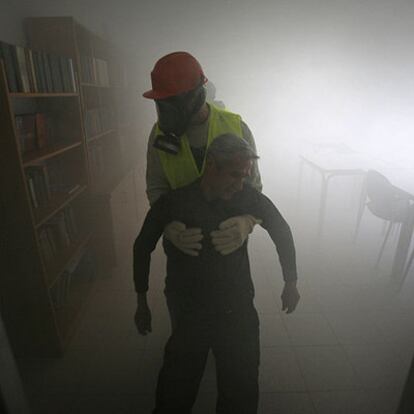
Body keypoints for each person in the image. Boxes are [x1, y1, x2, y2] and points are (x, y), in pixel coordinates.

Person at [133, 134, 300, 414]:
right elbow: (142, 246)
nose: (239, 184)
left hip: (236, 308)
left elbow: (281, 230)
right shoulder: (176, 202)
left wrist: (291, 281)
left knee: (241, 393)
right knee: (174, 394)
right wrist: (141, 301)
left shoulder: (246, 197)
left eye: (245, 176)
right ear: (211, 165)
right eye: (234, 175)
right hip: (189, 311)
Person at [143, 51, 263, 258]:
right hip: (183, 248)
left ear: (198, 95)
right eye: (161, 103)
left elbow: (254, 188)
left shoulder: (237, 128)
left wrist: (247, 222)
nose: (165, 110)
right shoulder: (159, 135)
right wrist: (168, 226)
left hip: (229, 245)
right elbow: (156, 187)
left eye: (173, 101)